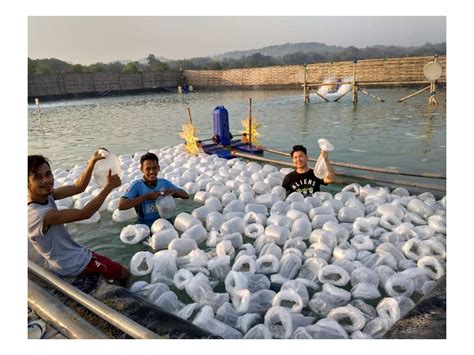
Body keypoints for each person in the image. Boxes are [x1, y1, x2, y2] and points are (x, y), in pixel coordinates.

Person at [28, 152, 130, 284]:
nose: (46, 181)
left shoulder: (45, 196)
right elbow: (85, 213)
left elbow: (78, 187)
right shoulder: (38, 215)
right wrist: (109, 187)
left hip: (70, 257)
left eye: (48, 174)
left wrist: (92, 162)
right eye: (38, 177)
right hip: (74, 264)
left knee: (112, 269)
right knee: (123, 273)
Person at [118, 152, 189, 226]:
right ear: (142, 169)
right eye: (148, 169)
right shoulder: (136, 185)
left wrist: (173, 192)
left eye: (154, 168)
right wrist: (147, 197)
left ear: (158, 168)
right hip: (145, 227)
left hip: (166, 224)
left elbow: (186, 195)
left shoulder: (164, 183)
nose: (151, 172)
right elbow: (121, 205)